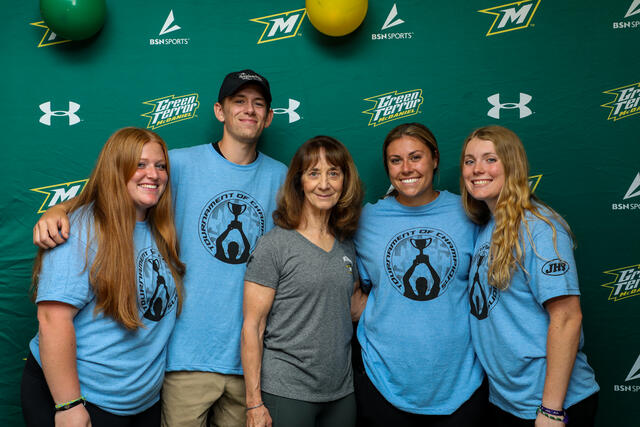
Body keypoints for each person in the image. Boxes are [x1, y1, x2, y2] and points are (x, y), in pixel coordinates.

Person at [32, 70, 288, 427]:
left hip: (242, 361)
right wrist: (59, 209)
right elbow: (112, 184)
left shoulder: (283, 178)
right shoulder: (177, 164)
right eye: (239, 101)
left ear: (269, 116)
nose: (249, 110)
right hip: (181, 360)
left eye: (258, 104)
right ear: (219, 111)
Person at [21, 127, 185, 426]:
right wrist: (68, 405)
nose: (153, 174)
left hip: (141, 403)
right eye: (139, 164)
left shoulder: (160, 228)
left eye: (160, 166)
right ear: (115, 169)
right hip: (83, 399)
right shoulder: (80, 230)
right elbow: (52, 320)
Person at [460, 125, 599, 426]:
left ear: (512, 165)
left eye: (490, 159)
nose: (477, 169)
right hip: (508, 400)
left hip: (548, 404)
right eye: (469, 161)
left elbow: (567, 318)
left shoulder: (539, 227)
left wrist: (551, 410)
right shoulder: (489, 226)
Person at [353, 123, 486, 427]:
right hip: (383, 382)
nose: (406, 168)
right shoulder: (366, 220)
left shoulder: (470, 212)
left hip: (462, 383)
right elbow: (353, 289)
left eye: (416, 157)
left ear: (435, 159)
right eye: (395, 160)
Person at [241, 136, 367, 427]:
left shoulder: (347, 244)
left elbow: (352, 308)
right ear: (299, 182)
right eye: (314, 174)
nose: (324, 184)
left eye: (333, 173)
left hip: (340, 392)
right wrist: (254, 403)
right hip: (287, 391)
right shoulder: (275, 245)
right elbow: (253, 326)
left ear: (345, 181)